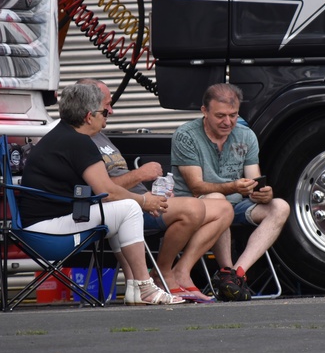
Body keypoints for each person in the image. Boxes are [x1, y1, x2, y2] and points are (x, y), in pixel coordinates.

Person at [19, 83, 184, 305]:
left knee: (120, 211)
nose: (107, 115)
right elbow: (107, 192)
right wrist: (145, 201)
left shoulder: (62, 136)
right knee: (129, 208)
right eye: (104, 111)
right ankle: (143, 286)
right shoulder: (78, 142)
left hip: (43, 226)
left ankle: (137, 287)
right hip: (49, 234)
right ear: (89, 116)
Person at [79, 79, 233, 303]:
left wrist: (154, 189)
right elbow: (103, 189)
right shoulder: (81, 140)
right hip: (126, 206)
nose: (111, 110)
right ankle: (164, 273)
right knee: (192, 208)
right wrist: (141, 178)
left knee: (224, 209)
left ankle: (179, 271)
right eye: (107, 106)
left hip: (140, 199)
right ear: (89, 108)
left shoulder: (100, 134)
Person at [171, 82, 290, 301]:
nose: (228, 122)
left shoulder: (246, 136)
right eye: (220, 116)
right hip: (196, 204)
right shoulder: (186, 135)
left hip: (234, 203)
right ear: (204, 111)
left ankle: (235, 275)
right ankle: (226, 270)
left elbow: (254, 181)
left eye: (233, 115)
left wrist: (262, 193)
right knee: (218, 200)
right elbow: (196, 186)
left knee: (280, 207)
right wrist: (233, 187)